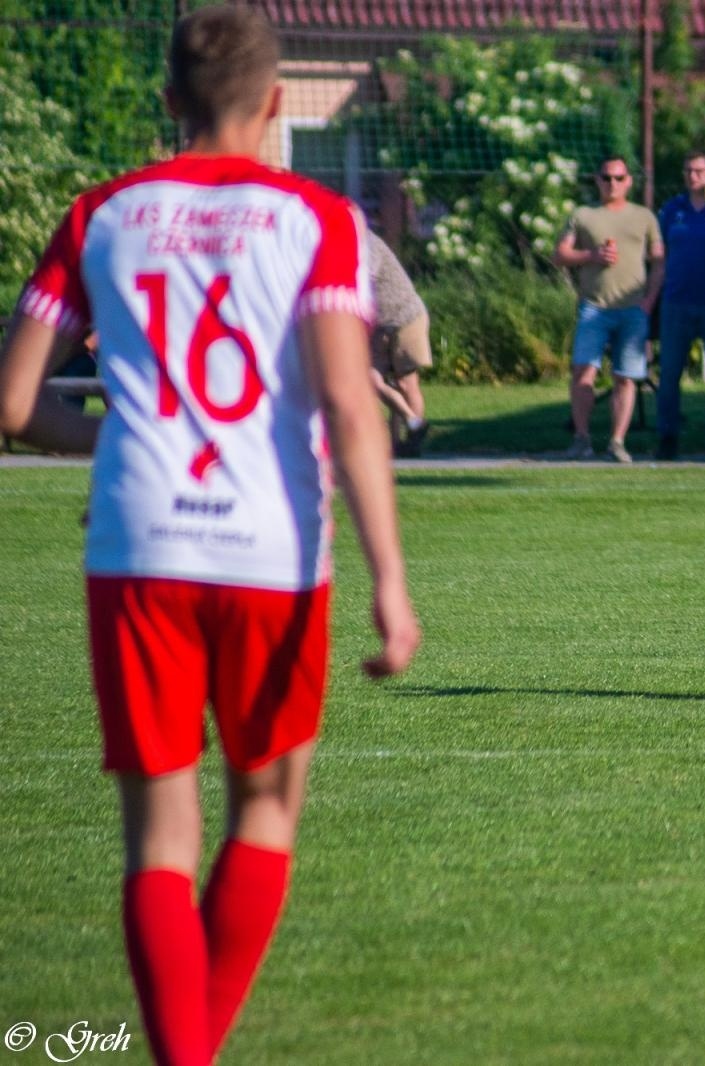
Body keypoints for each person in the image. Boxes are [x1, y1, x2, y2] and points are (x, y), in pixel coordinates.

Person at [0, 9, 420, 1065]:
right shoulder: (314, 218)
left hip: (138, 544)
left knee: (157, 835)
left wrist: (116, 445)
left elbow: (12, 404)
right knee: (266, 813)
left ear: (166, 103)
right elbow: (346, 398)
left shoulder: (100, 213)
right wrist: (392, 581)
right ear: (276, 103)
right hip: (270, 550)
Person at [552, 156, 665, 463]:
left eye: (618, 178)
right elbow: (560, 254)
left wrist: (648, 302)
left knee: (625, 377)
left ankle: (617, 441)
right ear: (597, 180)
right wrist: (592, 255)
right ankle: (582, 438)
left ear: (628, 181)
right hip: (594, 308)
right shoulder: (584, 215)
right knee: (583, 372)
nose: (612, 183)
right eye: (606, 177)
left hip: (632, 309)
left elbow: (658, 261)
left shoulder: (644, 217)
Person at [654, 151, 705, 460]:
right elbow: (660, 255)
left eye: (699, 171)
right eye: (688, 170)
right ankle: (668, 436)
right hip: (676, 302)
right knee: (670, 373)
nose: (693, 176)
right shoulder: (672, 210)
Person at [366, 231, 432, 458]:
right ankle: (412, 425)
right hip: (379, 325)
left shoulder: (367, 242)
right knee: (372, 379)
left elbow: (364, 277)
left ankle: (411, 444)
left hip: (406, 317)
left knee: (406, 382)